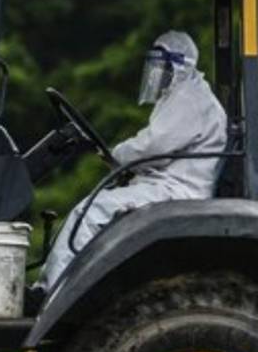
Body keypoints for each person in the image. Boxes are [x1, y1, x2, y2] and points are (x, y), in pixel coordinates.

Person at [37, 31, 227, 293]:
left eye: (161, 66)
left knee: (89, 213)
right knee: (96, 206)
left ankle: (51, 291)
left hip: (176, 191)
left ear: (177, 65)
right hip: (167, 185)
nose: (156, 73)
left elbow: (154, 145)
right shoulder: (182, 95)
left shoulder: (189, 98)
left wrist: (117, 154)